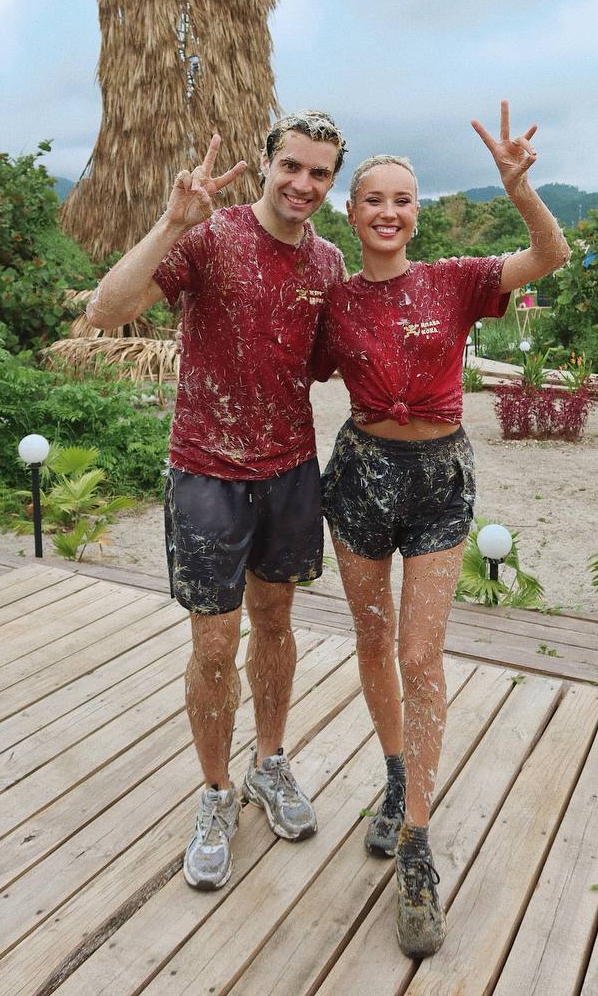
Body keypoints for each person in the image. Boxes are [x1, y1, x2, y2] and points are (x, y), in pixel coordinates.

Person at [314, 101, 569, 956]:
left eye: (402, 200)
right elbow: (285, 360)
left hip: (438, 478)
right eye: (373, 199)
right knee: (372, 637)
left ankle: (416, 844)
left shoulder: (455, 280)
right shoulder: (334, 301)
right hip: (360, 476)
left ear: (416, 213)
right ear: (351, 213)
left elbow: (549, 256)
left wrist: (518, 188)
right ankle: (395, 776)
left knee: (420, 656)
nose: (388, 212)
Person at [86, 111, 347, 891]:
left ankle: (269, 762)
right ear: (266, 163)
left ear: (331, 182)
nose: (302, 182)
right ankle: (214, 792)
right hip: (205, 468)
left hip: (290, 469)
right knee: (212, 645)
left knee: (276, 623)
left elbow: (335, 362)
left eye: (319, 172)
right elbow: (106, 311)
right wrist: (172, 221)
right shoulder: (209, 236)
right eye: (291, 165)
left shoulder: (328, 262)